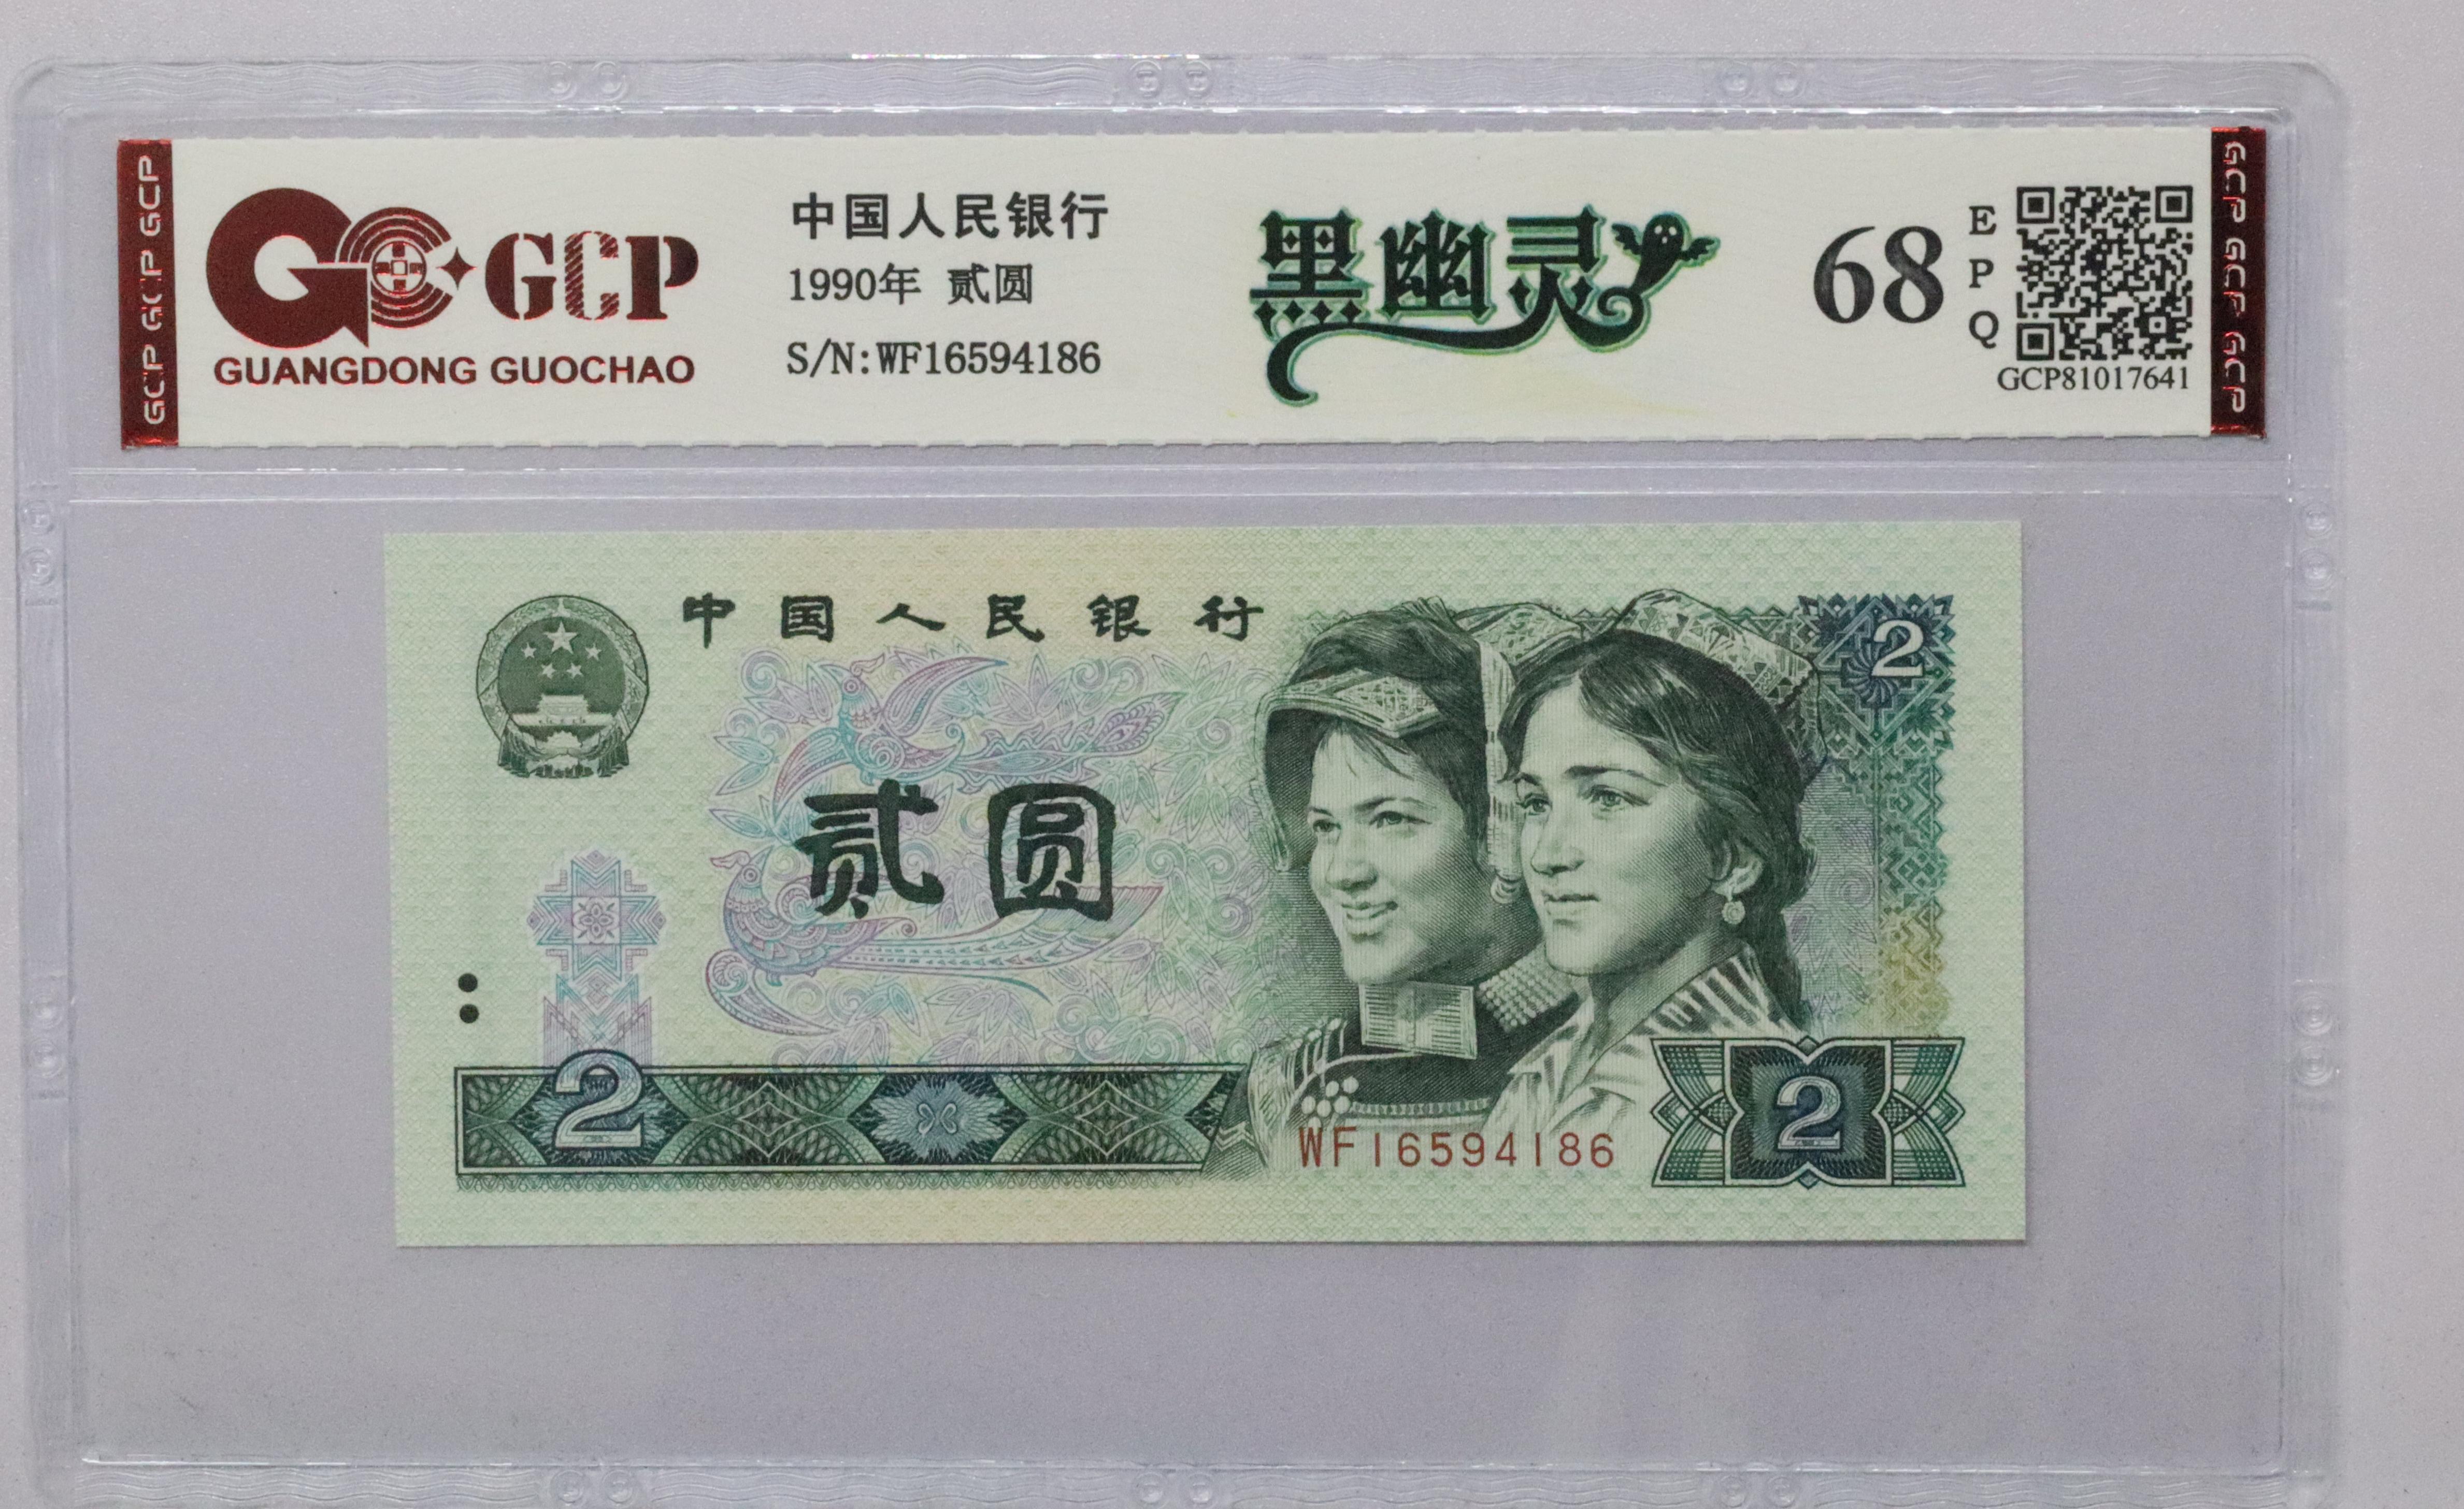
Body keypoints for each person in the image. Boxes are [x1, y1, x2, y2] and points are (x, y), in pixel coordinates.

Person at [1205, 601, 1585, 1175]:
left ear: (1504, 830)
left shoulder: (1619, 1060)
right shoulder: (1285, 1086)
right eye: (1326, 828)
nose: (1341, 872)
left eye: (1389, 819)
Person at [1482, 618, 1814, 1149]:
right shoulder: (1547, 1068)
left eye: (1608, 798)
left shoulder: (1759, 1102)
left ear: (1732, 858)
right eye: (1537, 804)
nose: (1547, 856)